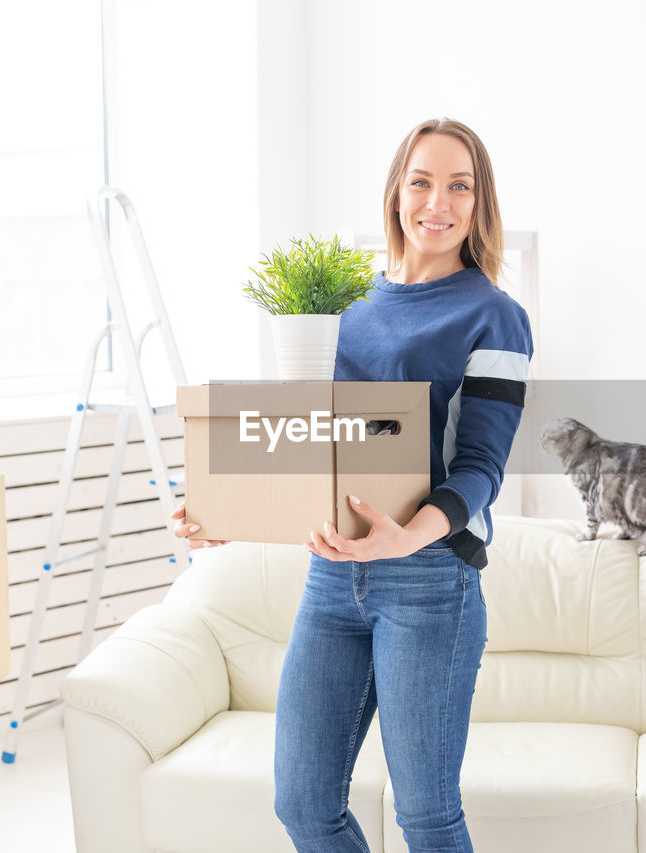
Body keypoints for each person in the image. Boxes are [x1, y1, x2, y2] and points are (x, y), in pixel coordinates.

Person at [172, 117, 533, 853]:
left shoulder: (496, 315)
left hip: (429, 584)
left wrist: (409, 535)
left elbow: (480, 469)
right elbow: (311, 440)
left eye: (459, 186)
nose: (439, 201)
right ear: (397, 193)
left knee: (426, 814)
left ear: (479, 203)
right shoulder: (344, 307)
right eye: (422, 181)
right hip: (332, 581)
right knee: (304, 804)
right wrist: (225, 511)